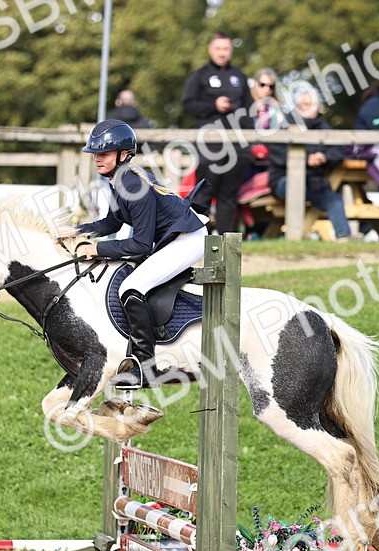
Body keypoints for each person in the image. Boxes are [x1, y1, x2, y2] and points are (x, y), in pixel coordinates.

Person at [74, 120, 208, 389]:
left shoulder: (133, 184)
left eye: (104, 154)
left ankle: (144, 366)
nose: (97, 159)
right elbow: (113, 223)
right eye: (95, 154)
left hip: (188, 239)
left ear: (123, 154)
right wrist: (76, 231)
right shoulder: (119, 180)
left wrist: (98, 249)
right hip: (175, 236)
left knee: (132, 286)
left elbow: (141, 245)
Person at [181, 31, 252, 234]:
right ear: (210, 49)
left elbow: (249, 110)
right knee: (204, 192)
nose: (222, 53)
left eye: (226, 49)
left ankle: (224, 242)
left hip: (236, 145)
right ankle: (196, 238)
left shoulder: (239, 76)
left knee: (229, 196)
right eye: (218, 48)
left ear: (231, 50)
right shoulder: (199, 75)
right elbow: (188, 104)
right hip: (209, 143)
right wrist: (214, 105)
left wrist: (249, 139)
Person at [266, 90, 354, 241]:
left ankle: (344, 240)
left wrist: (323, 157)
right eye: (305, 104)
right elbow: (277, 152)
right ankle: (294, 238)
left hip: (314, 183)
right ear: (299, 106)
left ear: (319, 108)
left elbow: (339, 151)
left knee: (335, 201)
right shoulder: (284, 125)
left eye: (312, 105)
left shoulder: (324, 128)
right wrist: (305, 160)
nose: (309, 108)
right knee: (295, 185)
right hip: (283, 181)